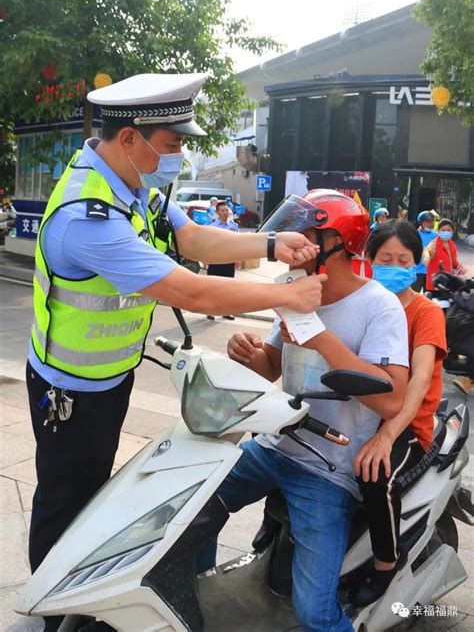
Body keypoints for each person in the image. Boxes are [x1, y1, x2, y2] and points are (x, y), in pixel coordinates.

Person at [26, 73, 324, 632]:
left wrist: (269, 242)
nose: (180, 154)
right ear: (131, 139)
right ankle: (55, 617)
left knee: (97, 501)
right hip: (68, 391)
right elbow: (185, 287)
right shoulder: (87, 218)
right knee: (64, 505)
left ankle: (86, 606)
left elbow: (193, 240)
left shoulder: (132, 186)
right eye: (172, 143)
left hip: (109, 380)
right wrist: (282, 294)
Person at [216, 190, 409, 632]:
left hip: (328, 468)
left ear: (335, 243)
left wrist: (318, 335)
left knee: (314, 615)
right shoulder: (294, 291)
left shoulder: (377, 307)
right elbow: (272, 367)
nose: (287, 243)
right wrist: (248, 354)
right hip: (273, 444)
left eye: (300, 234)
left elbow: (391, 398)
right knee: (192, 515)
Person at [350, 221, 447, 606]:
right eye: (384, 258)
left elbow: (420, 382)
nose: (393, 265)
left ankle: (386, 561)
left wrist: (387, 435)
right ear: (369, 261)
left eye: (401, 259)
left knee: (375, 473)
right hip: (360, 412)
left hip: (409, 422)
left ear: (415, 264)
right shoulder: (364, 302)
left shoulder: (425, 313)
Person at [206, 200, 240, 321]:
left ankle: (226, 312)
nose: (225, 212)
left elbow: (237, 244)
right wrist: (206, 259)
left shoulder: (233, 226)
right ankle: (210, 311)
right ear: (218, 212)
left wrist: (238, 259)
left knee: (228, 287)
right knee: (212, 287)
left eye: (227, 210)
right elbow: (208, 245)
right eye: (223, 210)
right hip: (215, 260)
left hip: (229, 261)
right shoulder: (212, 227)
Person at [423, 218, 461, 293]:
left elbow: (454, 263)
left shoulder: (452, 245)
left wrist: (459, 266)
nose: (446, 232)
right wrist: (427, 257)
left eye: (448, 230)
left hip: (448, 284)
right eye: (443, 230)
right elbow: (427, 251)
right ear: (438, 231)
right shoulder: (434, 244)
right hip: (435, 285)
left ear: (452, 232)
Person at [413, 211, 437, 293]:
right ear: (421, 222)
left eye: (431, 221)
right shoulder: (415, 234)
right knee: (414, 296)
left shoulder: (435, 235)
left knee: (429, 296)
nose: (430, 224)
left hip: (430, 271)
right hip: (417, 270)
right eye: (427, 221)